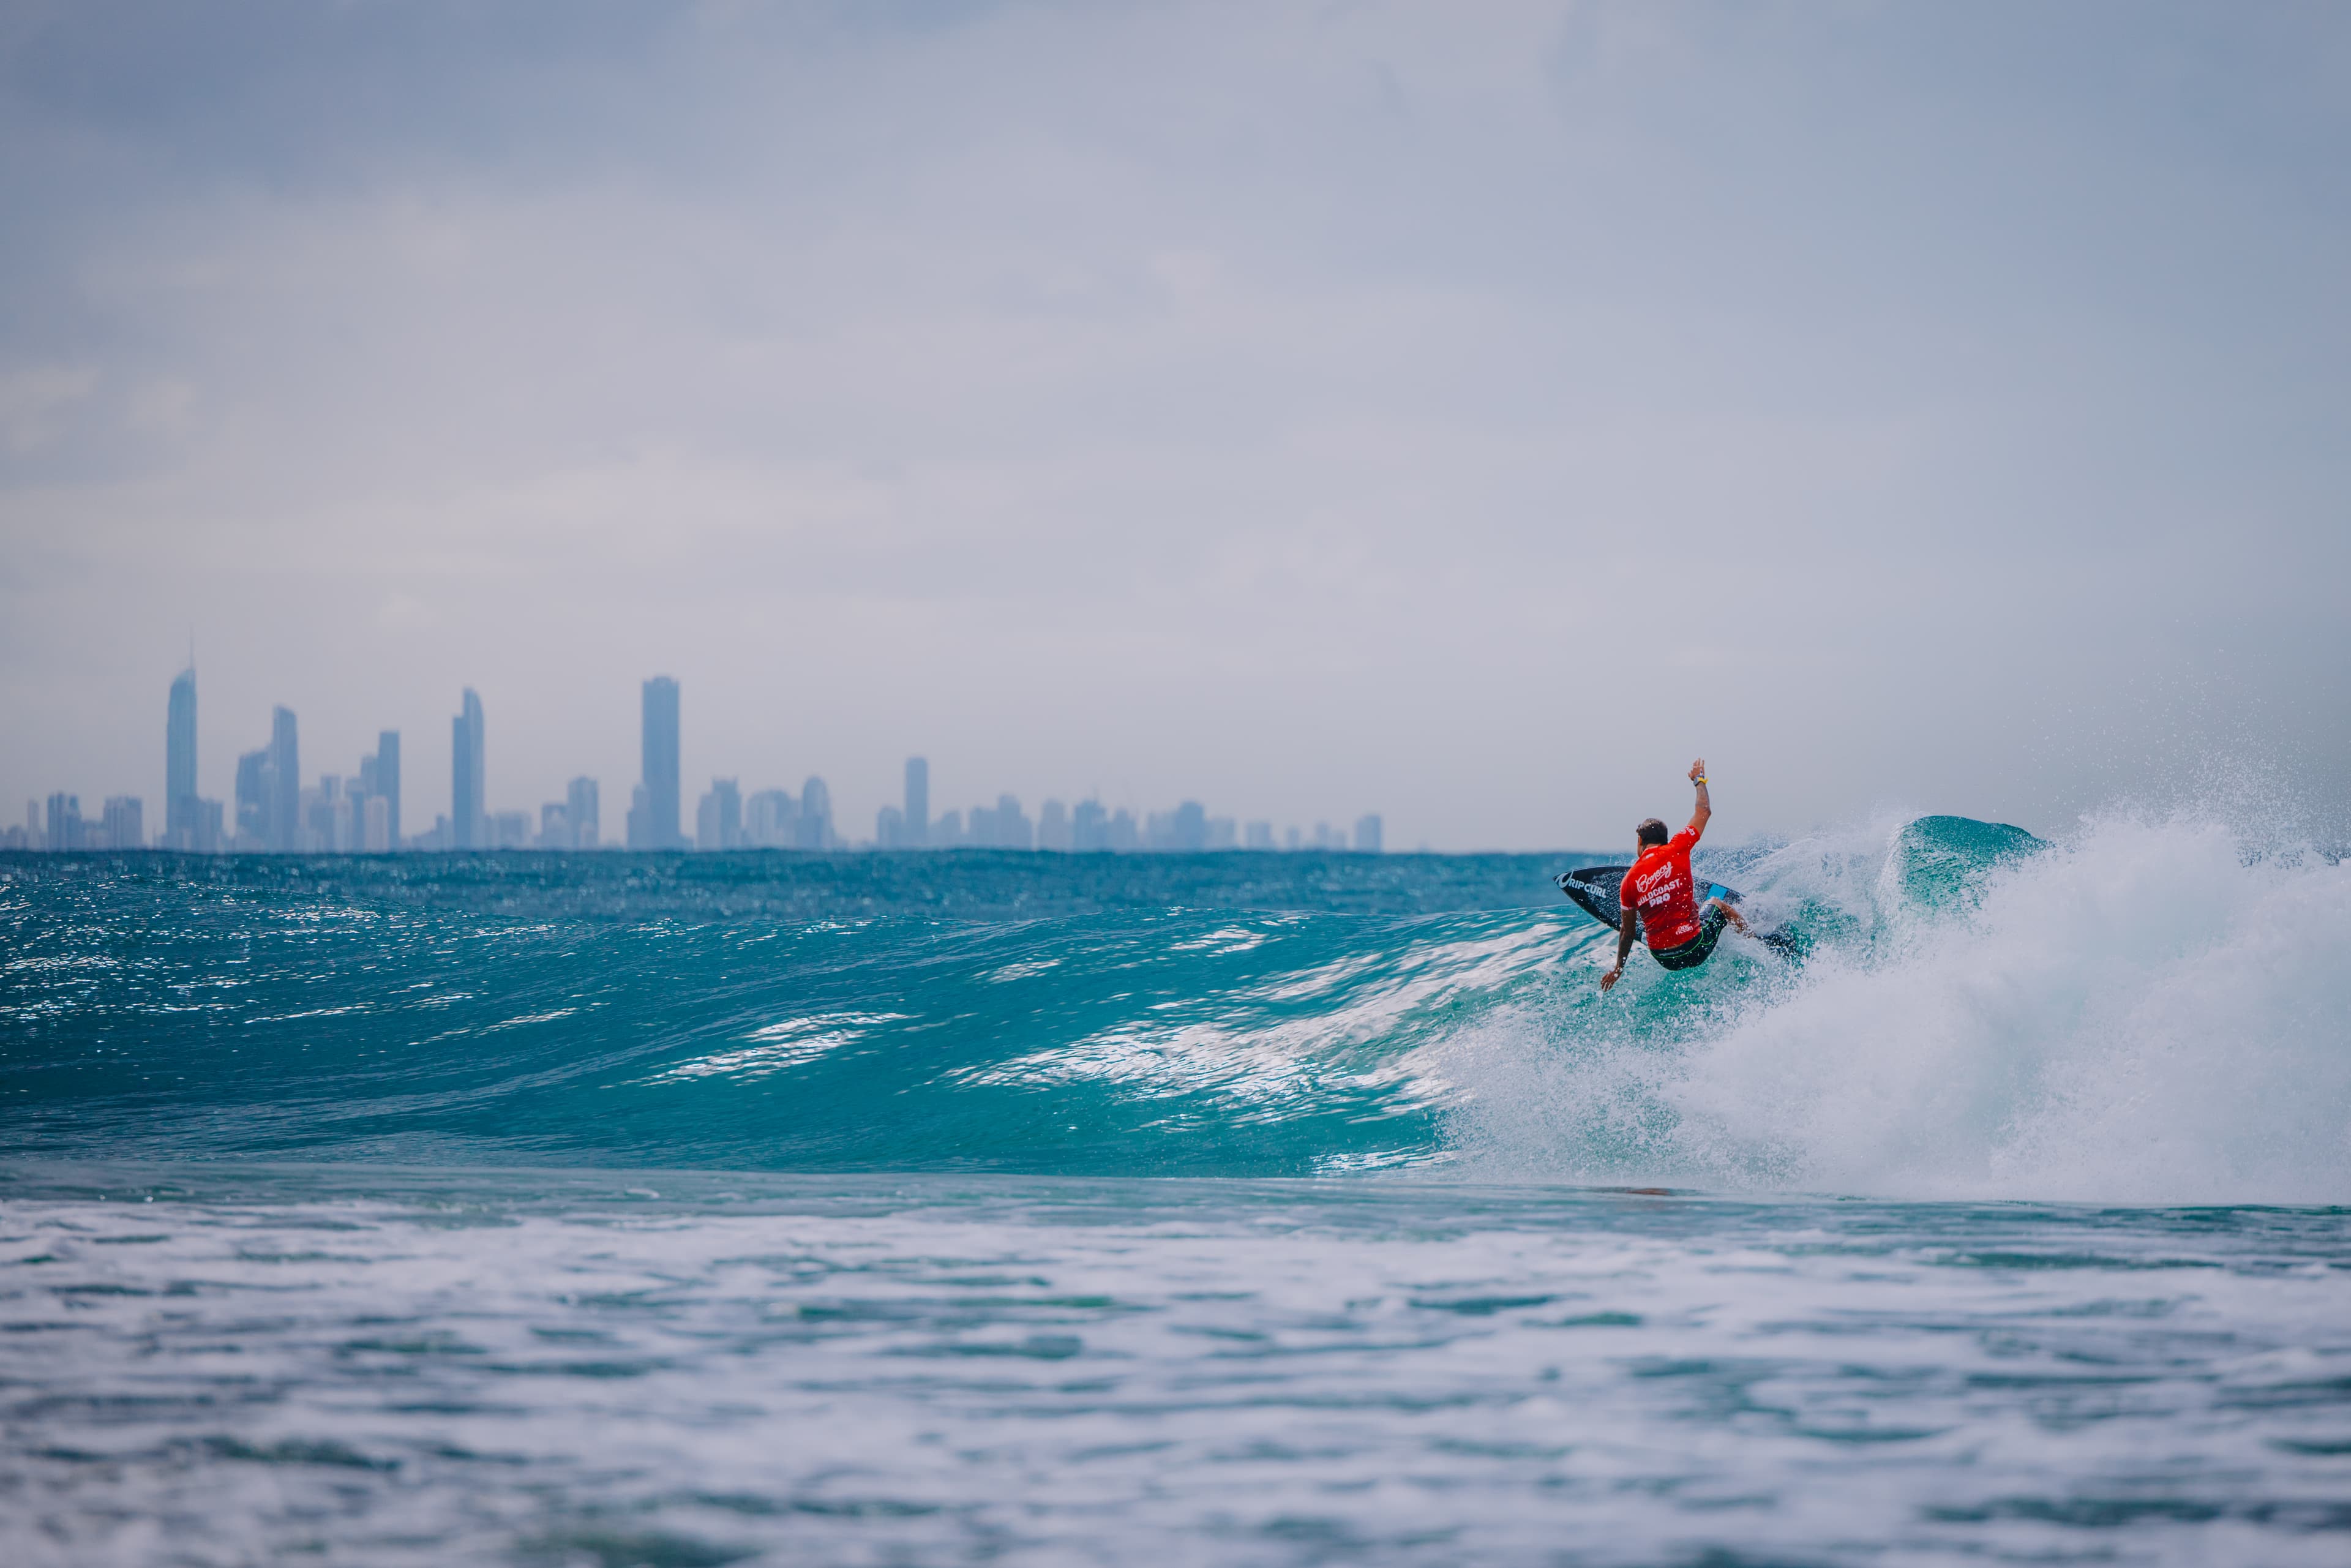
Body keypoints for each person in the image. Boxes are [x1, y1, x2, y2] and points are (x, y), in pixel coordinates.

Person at [1600, 757, 1750, 992]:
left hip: (1664, 958)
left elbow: (1627, 932)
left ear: (1640, 842)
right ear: (1665, 840)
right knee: (1717, 905)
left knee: (1652, 915)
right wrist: (1699, 779)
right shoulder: (1679, 847)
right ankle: (1753, 938)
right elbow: (1704, 810)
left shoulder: (1629, 881)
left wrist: (1618, 969)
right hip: (1695, 948)